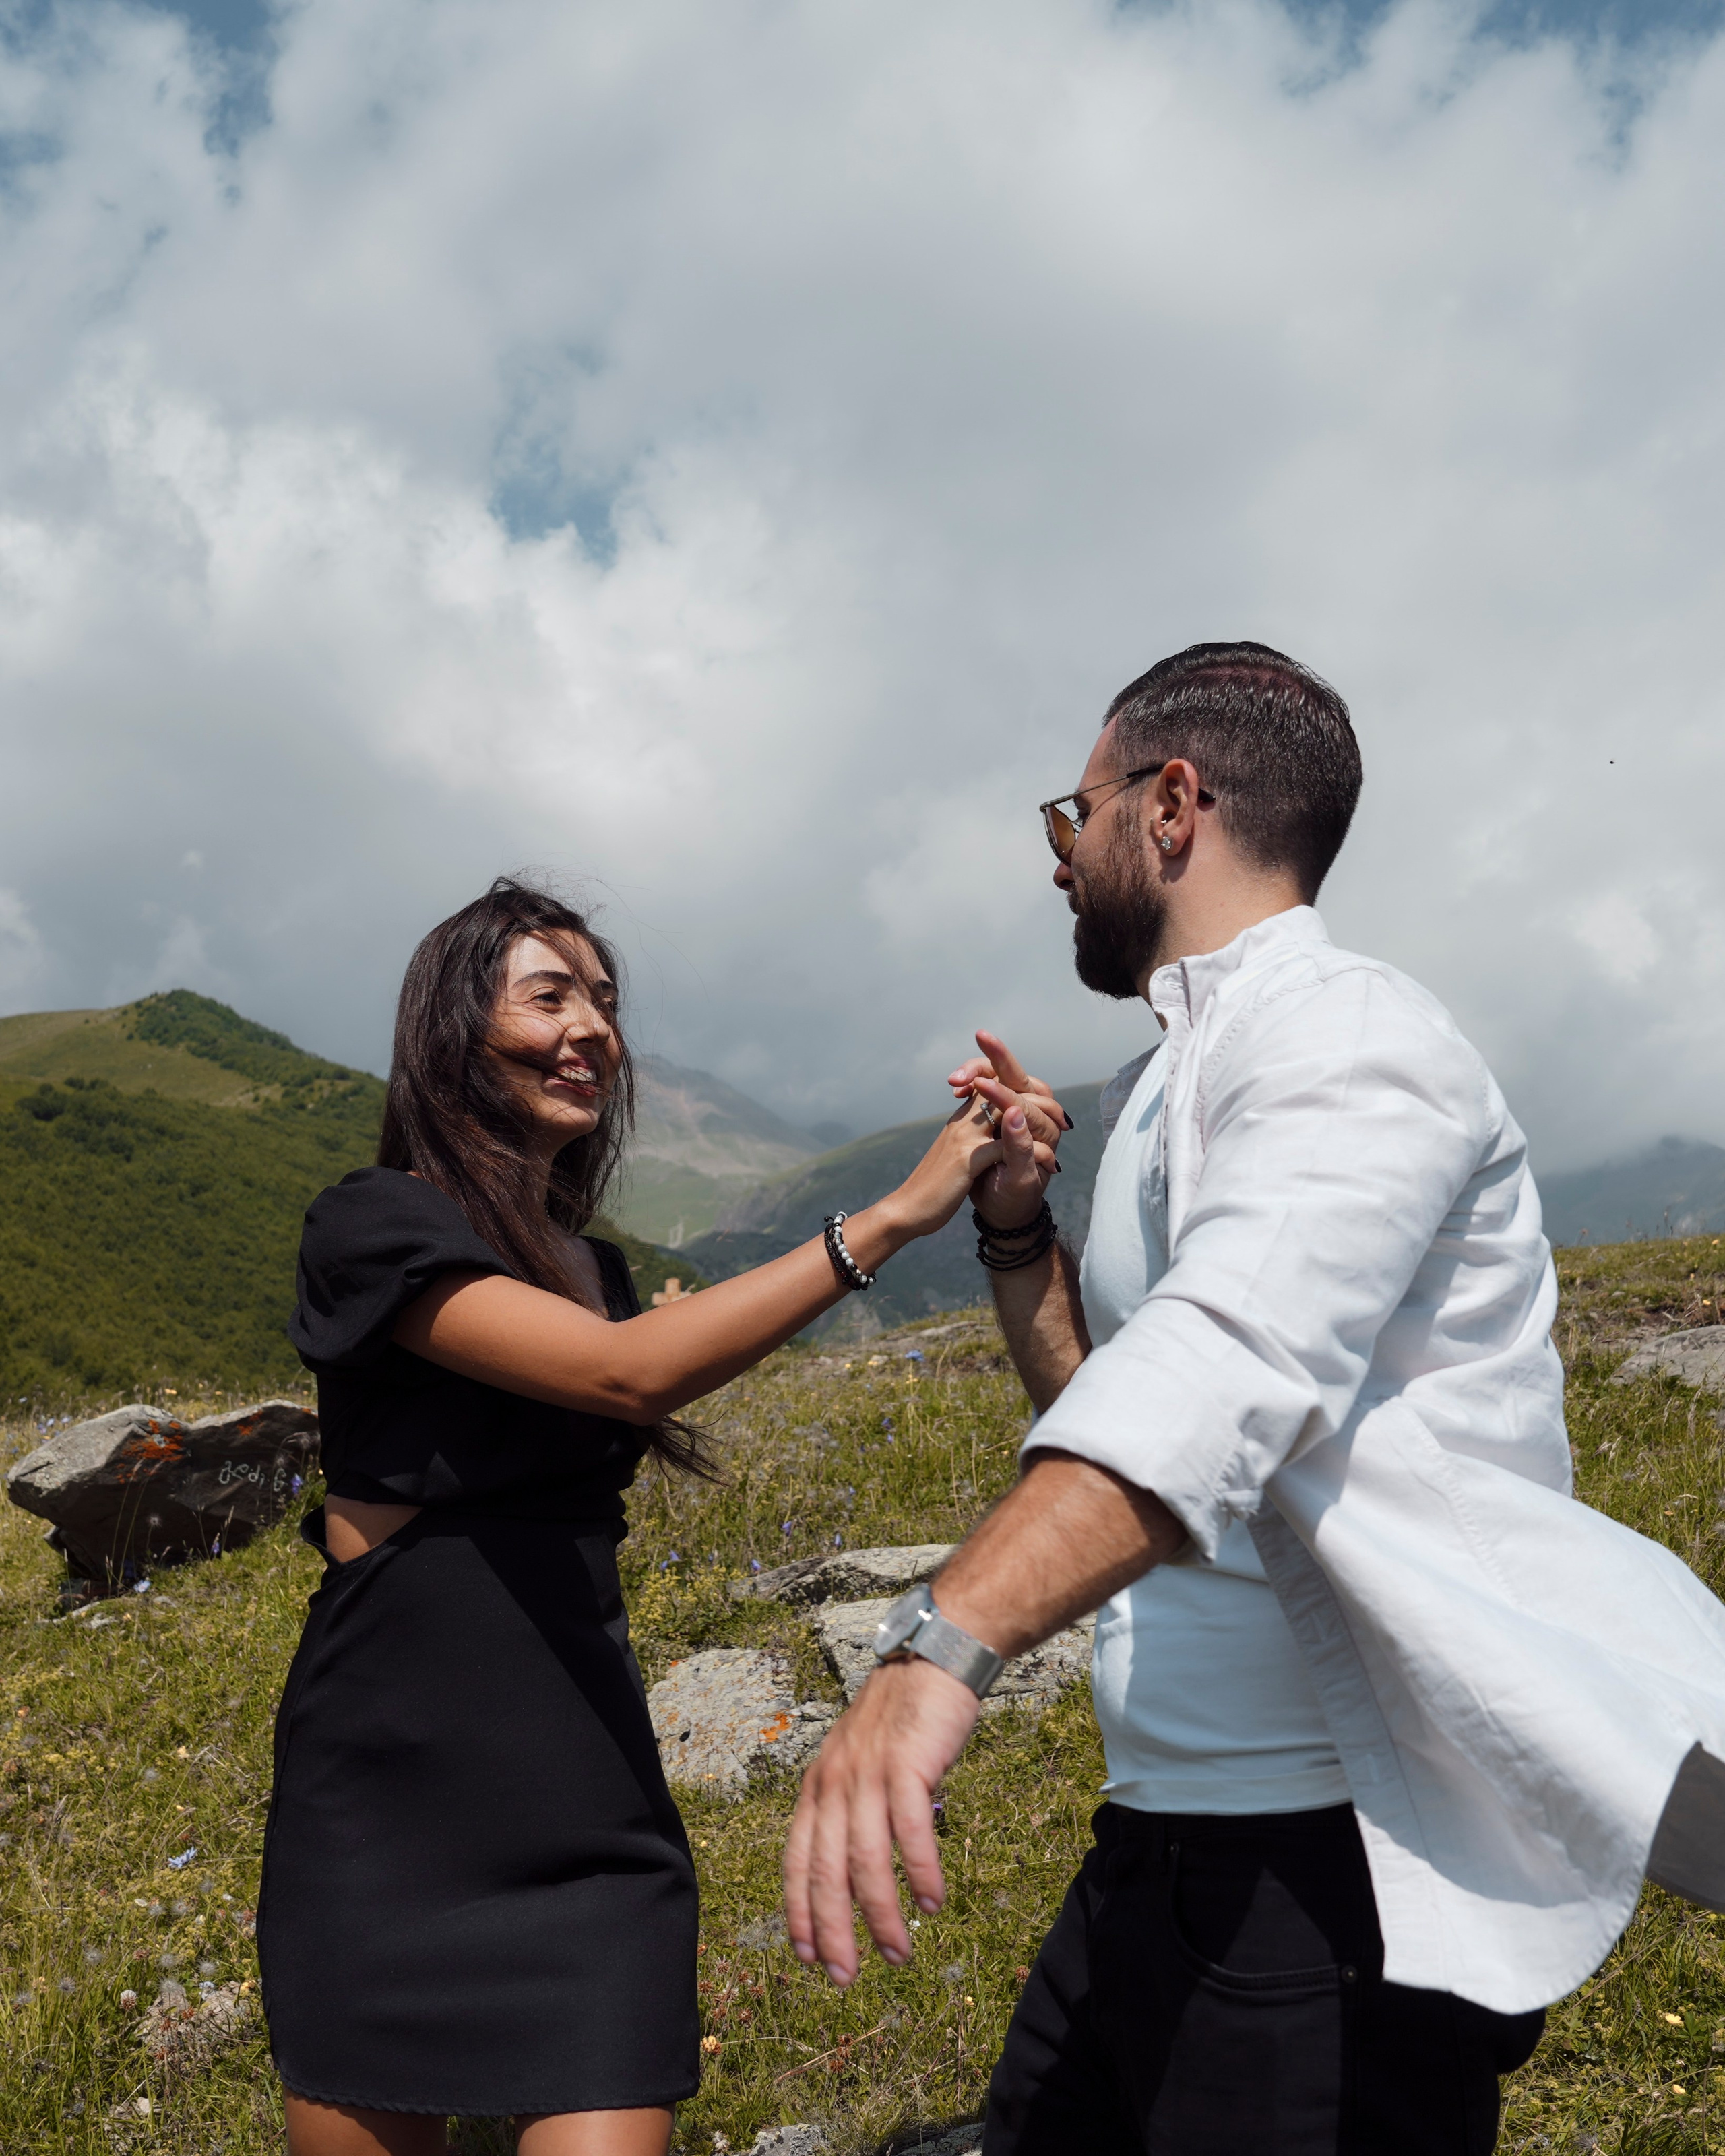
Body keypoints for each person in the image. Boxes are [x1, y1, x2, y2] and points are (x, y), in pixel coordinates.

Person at [783, 641, 1725, 2155]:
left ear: (1169, 804)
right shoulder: (1170, 1075)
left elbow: (1222, 1376)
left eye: (1065, 815)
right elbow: (1125, 1408)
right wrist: (1019, 1227)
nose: (1056, 863)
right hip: (1169, 1832)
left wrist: (937, 1645)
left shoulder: (1349, 1037)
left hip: (1328, 1868)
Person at [259, 877, 1040, 2156]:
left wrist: (1004, 1207)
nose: (592, 1031)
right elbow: (628, 1375)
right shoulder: (374, 1223)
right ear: (454, 1030)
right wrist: (892, 1220)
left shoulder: (593, 1266)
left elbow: (636, 1356)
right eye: (550, 996)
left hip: (585, 1799)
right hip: (392, 1802)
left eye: (607, 1004)